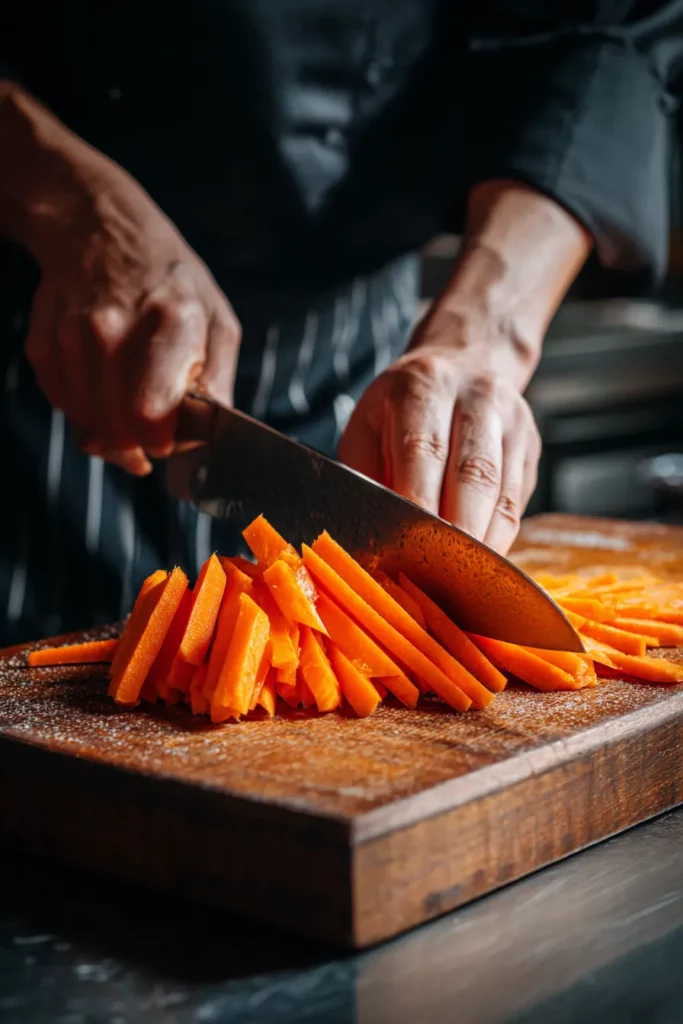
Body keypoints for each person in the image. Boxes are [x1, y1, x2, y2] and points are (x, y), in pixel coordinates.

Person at [0, 2, 681, 646]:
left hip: (356, 355)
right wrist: (57, 193)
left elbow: (607, 25)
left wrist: (486, 333)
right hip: (42, 327)